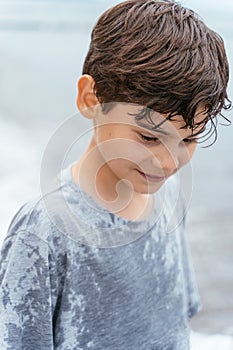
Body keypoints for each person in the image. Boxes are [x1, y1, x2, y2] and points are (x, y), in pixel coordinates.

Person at [0, 0, 231, 349]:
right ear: (91, 98)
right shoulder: (42, 233)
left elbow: (177, 320)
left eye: (188, 139)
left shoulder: (167, 197)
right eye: (149, 137)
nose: (168, 163)